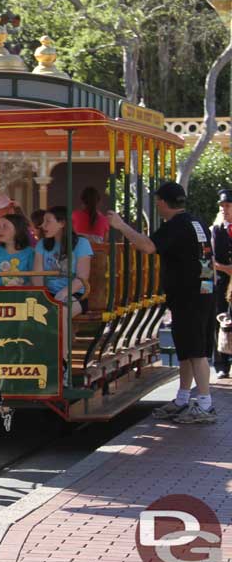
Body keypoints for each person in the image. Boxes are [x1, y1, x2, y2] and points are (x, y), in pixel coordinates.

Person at [108, 181, 217, 424]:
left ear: (163, 202)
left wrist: (121, 225)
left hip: (189, 295)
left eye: (157, 201)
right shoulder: (196, 222)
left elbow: (147, 246)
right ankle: (182, 398)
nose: (156, 205)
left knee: (196, 352)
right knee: (187, 350)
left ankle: (206, 405)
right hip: (203, 290)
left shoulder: (176, 225)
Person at [33, 206, 93, 317]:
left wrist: (62, 294)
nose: (42, 225)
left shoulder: (81, 243)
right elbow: (37, 275)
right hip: (48, 293)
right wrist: (43, 296)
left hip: (74, 294)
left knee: (60, 313)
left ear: (62, 223)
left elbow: (82, 278)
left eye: (48, 221)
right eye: (43, 221)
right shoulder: (41, 244)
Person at [211, 189, 232, 380]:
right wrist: (228, 270)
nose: (225, 209)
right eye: (222, 206)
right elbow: (213, 261)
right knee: (222, 321)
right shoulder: (217, 229)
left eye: (228, 205)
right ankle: (221, 364)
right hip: (223, 283)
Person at [0, 214, 35, 287]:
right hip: (0, 294)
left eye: (5, 226)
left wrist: (23, 288)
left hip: (23, 293)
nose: (0, 230)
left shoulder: (30, 252)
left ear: (18, 229)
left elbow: (33, 279)